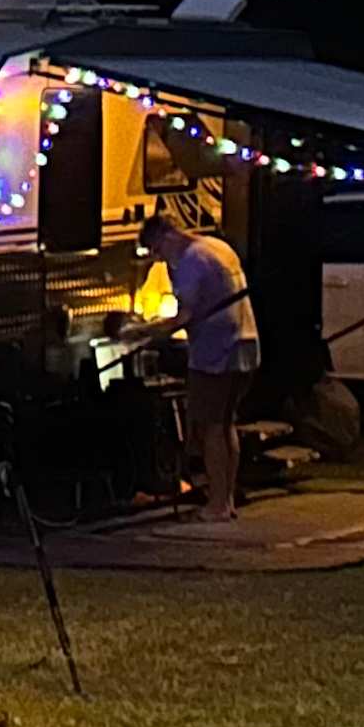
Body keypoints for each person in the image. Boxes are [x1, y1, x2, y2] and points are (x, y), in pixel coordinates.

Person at [139, 211, 261, 517]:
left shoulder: (192, 260)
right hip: (245, 345)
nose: (159, 258)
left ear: (167, 236)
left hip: (216, 353)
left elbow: (185, 315)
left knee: (210, 428)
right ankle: (226, 498)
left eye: (157, 250)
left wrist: (145, 331)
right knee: (225, 424)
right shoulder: (218, 247)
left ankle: (218, 504)